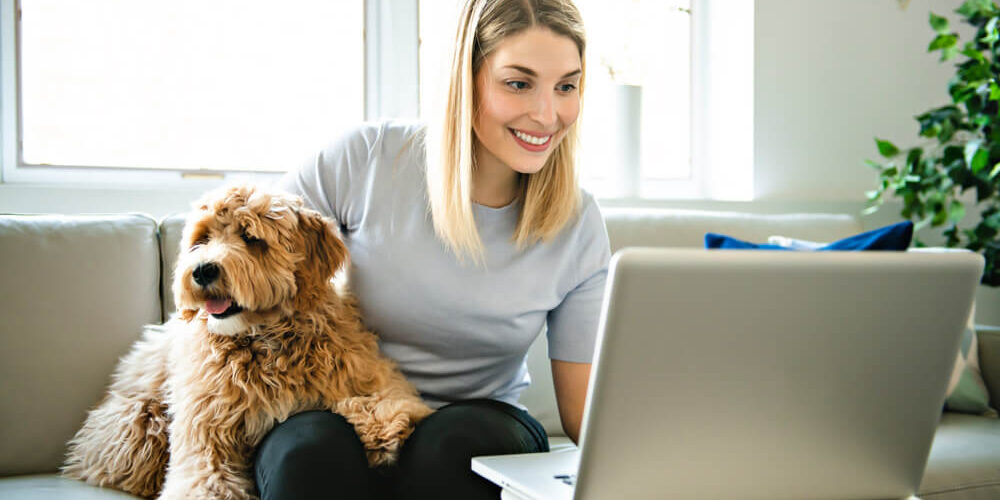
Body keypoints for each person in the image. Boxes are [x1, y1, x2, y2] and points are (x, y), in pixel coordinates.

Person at [255, 0, 610, 498]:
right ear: (466, 80)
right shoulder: (369, 158)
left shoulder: (577, 222)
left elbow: (582, 414)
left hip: (481, 420)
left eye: (566, 86)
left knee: (452, 445)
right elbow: (244, 254)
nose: (548, 115)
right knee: (309, 452)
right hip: (350, 408)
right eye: (518, 83)